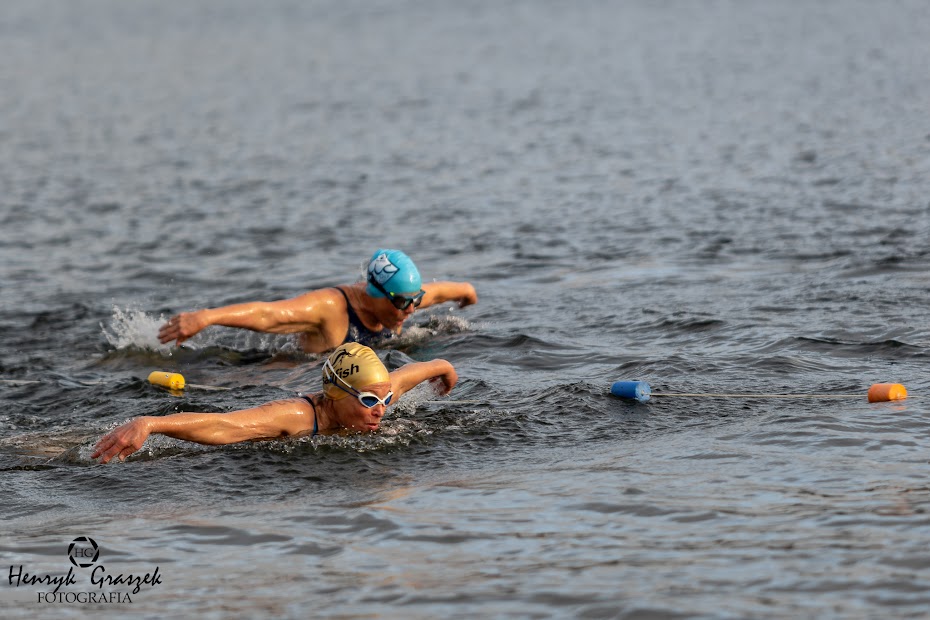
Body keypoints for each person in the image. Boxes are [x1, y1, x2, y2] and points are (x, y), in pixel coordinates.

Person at [92, 343, 457, 463]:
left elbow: (415, 371)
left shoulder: (374, 396)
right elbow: (225, 425)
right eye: (368, 399)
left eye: (385, 399)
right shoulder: (296, 417)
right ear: (336, 393)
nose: (381, 408)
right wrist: (150, 423)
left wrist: (443, 367)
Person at [157, 249, 477, 354]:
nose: (411, 309)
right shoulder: (330, 308)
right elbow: (269, 315)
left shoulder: (400, 302)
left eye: (415, 301)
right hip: (284, 375)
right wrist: (207, 317)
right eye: (403, 303)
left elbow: (443, 291)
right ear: (376, 293)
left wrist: (466, 292)